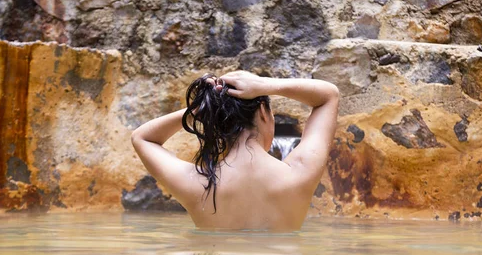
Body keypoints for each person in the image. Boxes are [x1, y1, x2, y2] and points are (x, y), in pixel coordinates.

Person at [131, 71, 339, 231]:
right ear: (264, 113)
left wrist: (202, 108)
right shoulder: (300, 173)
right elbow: (328, 95)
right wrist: (266, 85)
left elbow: (142, 137)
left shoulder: (197, 185)